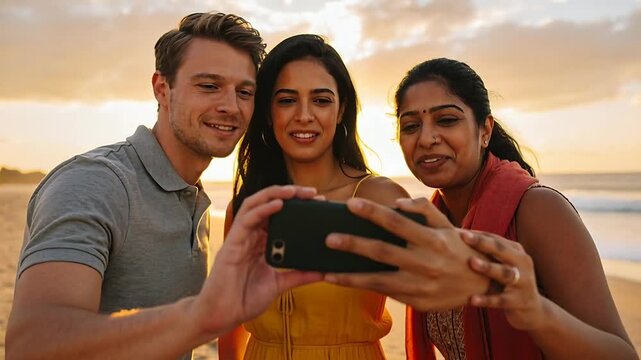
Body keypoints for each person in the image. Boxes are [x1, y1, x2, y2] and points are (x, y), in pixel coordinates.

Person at [6, 12, 323, 360]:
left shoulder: (194, 199)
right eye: (209, 85)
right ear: (162, 88)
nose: (230, 106)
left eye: (244, 92)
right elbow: (32, 345)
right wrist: (201, 316)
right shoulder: (95, 182)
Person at [323, 58, 638, 359]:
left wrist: (535, 311)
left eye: (446, 120)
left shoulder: (538, 209)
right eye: (411, 126)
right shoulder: (431, 227)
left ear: (484, 130)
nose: (427, 138)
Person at [218, 34, 409, 359]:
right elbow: (228, 320)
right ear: (267, 111)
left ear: (341, 109)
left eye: (321, 100)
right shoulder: (248, 207)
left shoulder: (379, 199)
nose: (304, 115)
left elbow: (442, 293)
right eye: (287, 100)